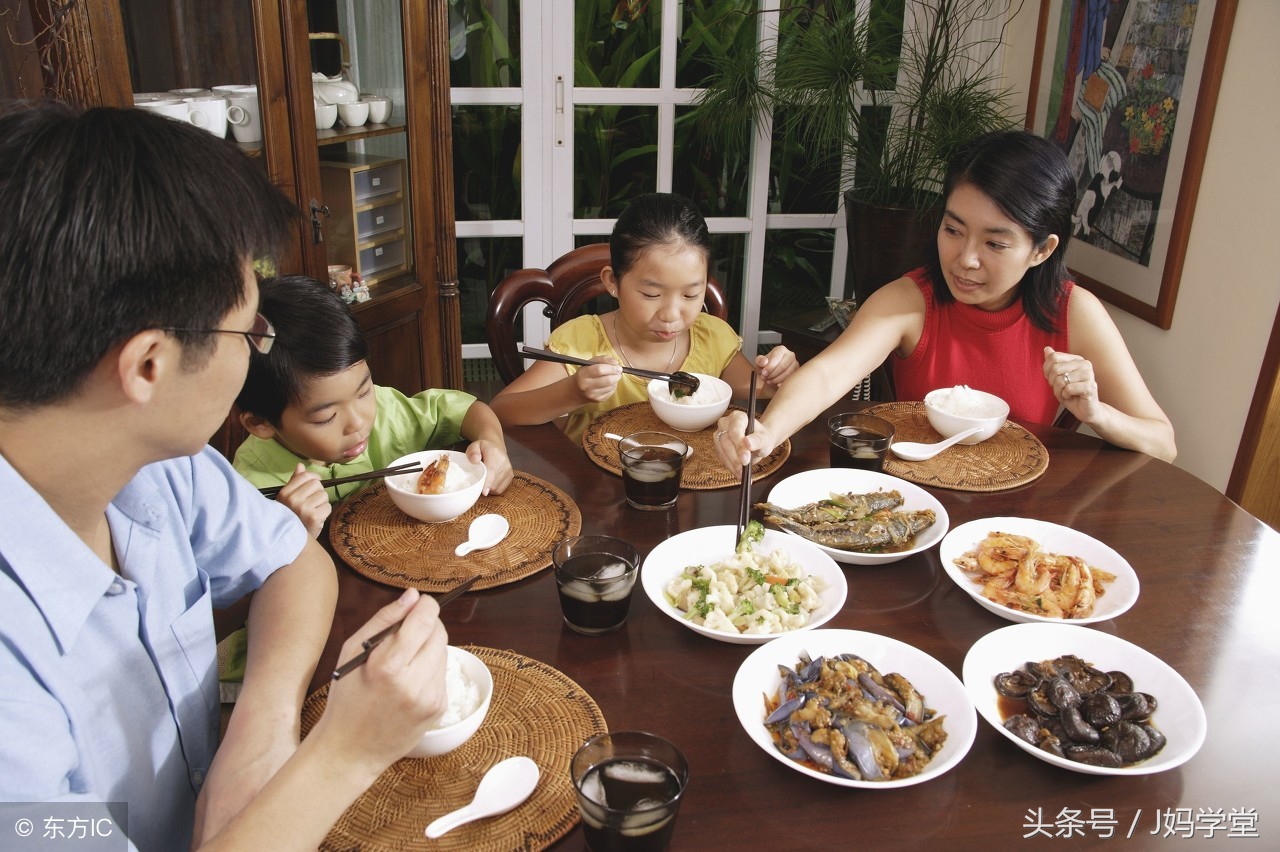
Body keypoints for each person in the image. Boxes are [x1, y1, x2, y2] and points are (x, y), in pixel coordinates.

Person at [0, 102, 451, 850]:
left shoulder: (157, 467)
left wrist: (258, 730)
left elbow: (294, 562)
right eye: (250, 332)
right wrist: (346, 751)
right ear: (149, 364)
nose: (257, 349)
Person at [714, 130, 1176, 468]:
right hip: (914, 503)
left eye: (995, 244)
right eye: (953, 229)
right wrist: (766, 432)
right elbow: (829, 374)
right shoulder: (911, 300)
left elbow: (1163, 443)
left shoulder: (1074, 311)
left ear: (1042, 250)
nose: (965, 259)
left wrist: (1097, 414)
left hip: (1022, 520)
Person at [489, 192, 799, 441]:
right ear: (612, 282)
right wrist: (572, 392)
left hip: (692, 484)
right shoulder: (581, 343)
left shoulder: (712, 336)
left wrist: (779, 372)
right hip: (596, 494)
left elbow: (763, 388)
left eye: (692, 294)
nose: (671, 315)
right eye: (651, 295)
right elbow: (502, 411)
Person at [233, 275, 514, 538]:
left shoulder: (387, 412)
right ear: (261, 423)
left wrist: (491, 441)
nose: (358, 422)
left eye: (363, 391)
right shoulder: (248, 487)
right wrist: (290, 537)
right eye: (326, 417)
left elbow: (466, 410)